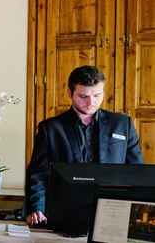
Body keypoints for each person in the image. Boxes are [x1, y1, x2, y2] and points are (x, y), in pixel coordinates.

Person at [25, 65, 143, 226]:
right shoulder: (50, 128)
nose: (91, 102)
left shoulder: (123, 124)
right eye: (83, 96)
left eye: (97, 95)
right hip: (65, 213)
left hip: (113, 212)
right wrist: (36, 207)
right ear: (70, 93)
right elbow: (38, 173)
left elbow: (136, 171)